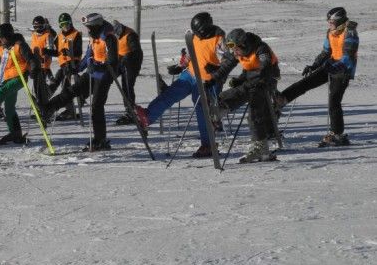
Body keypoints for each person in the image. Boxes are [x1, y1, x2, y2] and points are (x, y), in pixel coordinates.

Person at [136, 12, 235, 158]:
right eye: (195, 32)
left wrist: (217, 69)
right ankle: (148, 117)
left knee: (202, 108)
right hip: (190, 74)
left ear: (206, 28)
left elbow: (228, 59)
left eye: (199, 32)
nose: (197, 35)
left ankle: (208, 145)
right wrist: (180, 66)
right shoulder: (194, 36)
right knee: (170, 94)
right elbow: (190, 53)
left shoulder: (219, 39)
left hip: (208, 80)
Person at [276, 7, 359, 147]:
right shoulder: (331, 32)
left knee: (334, 101)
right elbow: (326, 52)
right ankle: (281, 100)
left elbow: (348, 56)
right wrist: (314, 65)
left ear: (339, 21)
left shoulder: (350, 33)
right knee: (306, 82)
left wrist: (336, 67)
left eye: (331, 22)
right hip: (331, 64)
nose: (329, 24)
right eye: (329, 22)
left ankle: (337, 134)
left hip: (344, 70)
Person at [41, 13, 118, 151]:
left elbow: (113, 61)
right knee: (72, 90)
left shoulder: (108, 37)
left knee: (96, 107)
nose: (88, 30)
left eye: (89, 27)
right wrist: (77, 69)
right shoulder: (93, 38)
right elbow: (88, 56)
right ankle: (49, 108)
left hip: (105, 76)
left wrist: (99, 66)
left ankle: (100, 140)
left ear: (97, 25)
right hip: (92, 73)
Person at [217, 29, 280, 163]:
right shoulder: (242, 51)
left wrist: (250, 80)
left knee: (253, 109)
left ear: (243, 44)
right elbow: (247, 70)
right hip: (254, 80)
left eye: (235, 49)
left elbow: (265, 68)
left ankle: (261, 147)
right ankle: (220, 105)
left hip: (267, 80)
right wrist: (239, 79)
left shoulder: (261, 49)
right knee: (241, 89)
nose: (234, 53)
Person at [0, 23, 39, 145]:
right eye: (0, 38)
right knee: (9, 109)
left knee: (2, 90)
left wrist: (33, 70)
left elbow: (31, 59)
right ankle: (15, 133)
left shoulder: (20, 46)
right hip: (7, 78)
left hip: (20, 77)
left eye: (3, 37)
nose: (1, 40)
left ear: (9, 35)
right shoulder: (2, 49)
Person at [47, 12, 83, 120]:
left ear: (71, 23)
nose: (65, 27)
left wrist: (69, 52)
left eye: (67, 24)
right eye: (62, 25)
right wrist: (46, 52)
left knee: (66, 88)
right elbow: (58, 52)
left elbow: (78, 51)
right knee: (55, 82)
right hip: (63, 65)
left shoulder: (76, 34)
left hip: (72, 65)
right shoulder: (59, 36)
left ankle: (70, 111)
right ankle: (44, 102)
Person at [111, 20, 143, 125]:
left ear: (119, 28)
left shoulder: (130, 35)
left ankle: (131, 112)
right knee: (107, 77)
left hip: (133, 61)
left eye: (117, 33)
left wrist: (128, 57)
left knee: (127, 86)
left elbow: (136, 51)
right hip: (121, 59)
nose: (116, 35)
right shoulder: (115, 35)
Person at [30, 15, 56, 105]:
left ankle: (44, 103)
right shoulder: (33, 35)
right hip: (34, 64)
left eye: (39, 27)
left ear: (44, 26)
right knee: (36, 86)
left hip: (43, 64)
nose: (37, 29)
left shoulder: (47, 35)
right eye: (35, 27)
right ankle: (40, 104)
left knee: (40, 86)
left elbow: (50, 49)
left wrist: (45, 54)